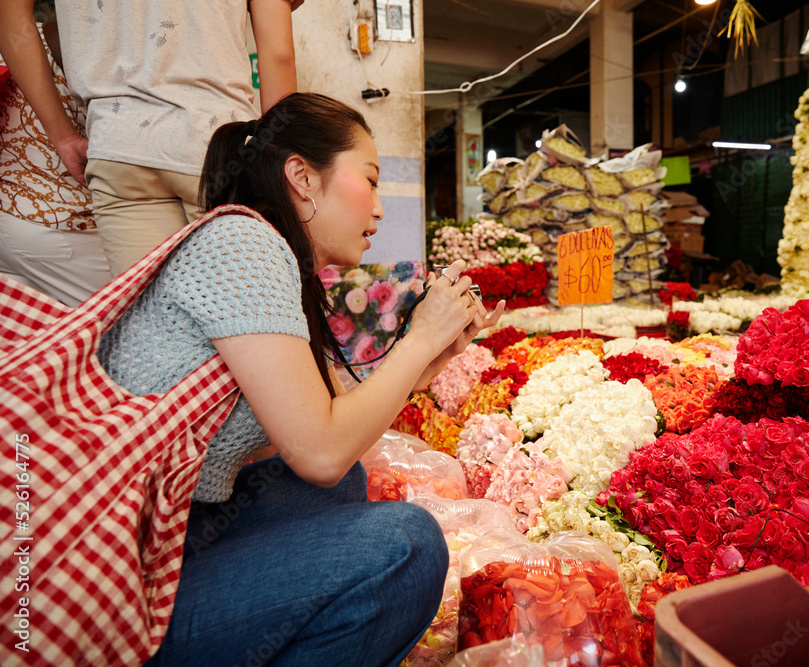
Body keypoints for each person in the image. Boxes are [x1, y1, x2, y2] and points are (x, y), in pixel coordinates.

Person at [92, 91, 506, 665]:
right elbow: (320, 448)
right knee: (406, 545)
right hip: (115, 583)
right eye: (372, 179)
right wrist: (419, 341)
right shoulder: (245, 243)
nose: (380, 209)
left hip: (170, 536)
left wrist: (427, 360)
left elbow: (323, 415)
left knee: (340, 488)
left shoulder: (267, 251)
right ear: (302, 177)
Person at [0, 0, 299, 277]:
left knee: (152, 325)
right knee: (243, 315)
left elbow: (9, 14)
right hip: (217, 148)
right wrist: (275, 161)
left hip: (118, 148)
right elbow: (278, 55)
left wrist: (62, 135)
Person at [0, 20, 112, 307]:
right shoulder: (87, 35)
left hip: (18, 221)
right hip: (62, 227)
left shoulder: (18, 41)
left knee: (41, 346)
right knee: (139, 329)